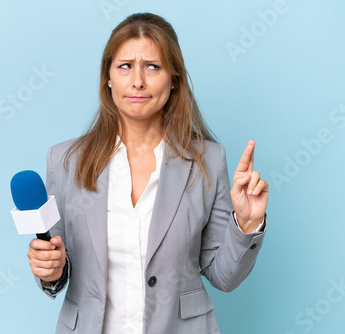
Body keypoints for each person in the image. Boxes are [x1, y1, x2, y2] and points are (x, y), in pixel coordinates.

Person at [27, 12, 269, 334]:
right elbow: (57, 265)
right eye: (125, 66)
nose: (137, 80)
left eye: (152, 67)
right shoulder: (65, 161)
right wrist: (49, 270)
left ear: (174, 78)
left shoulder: (208, 160)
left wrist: (247, 223)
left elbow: (224, 277)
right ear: (108, 77)